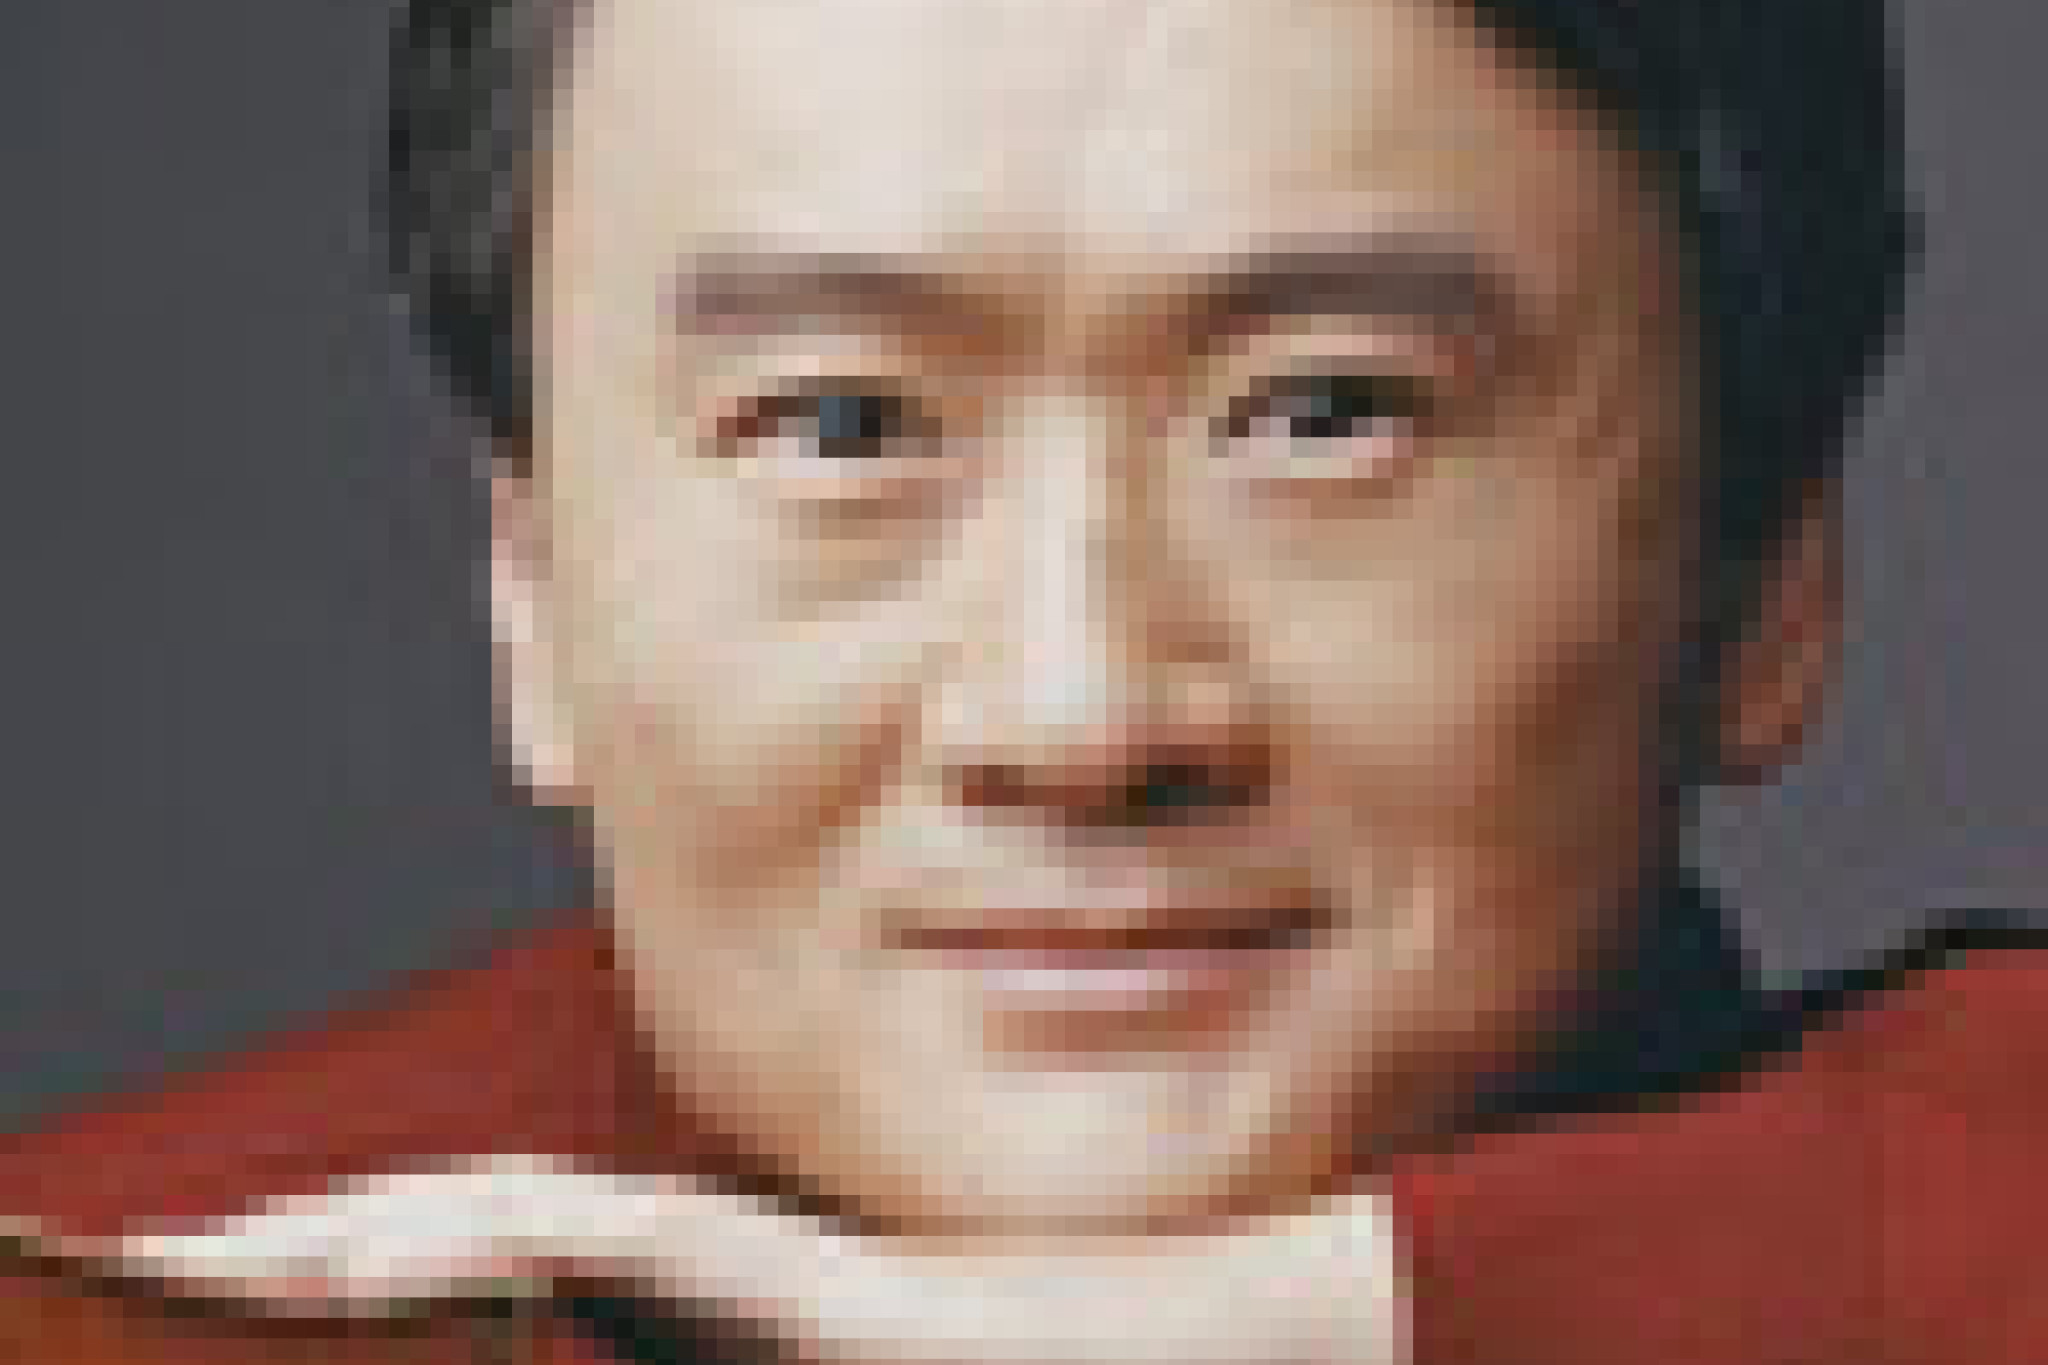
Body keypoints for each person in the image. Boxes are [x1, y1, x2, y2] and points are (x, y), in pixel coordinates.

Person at [7, 0, 2039, 1361]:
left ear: (1768, 568)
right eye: (842, 428)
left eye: (1325, 413)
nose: (1078, 713)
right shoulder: (121, 1304)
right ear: (527, 584)